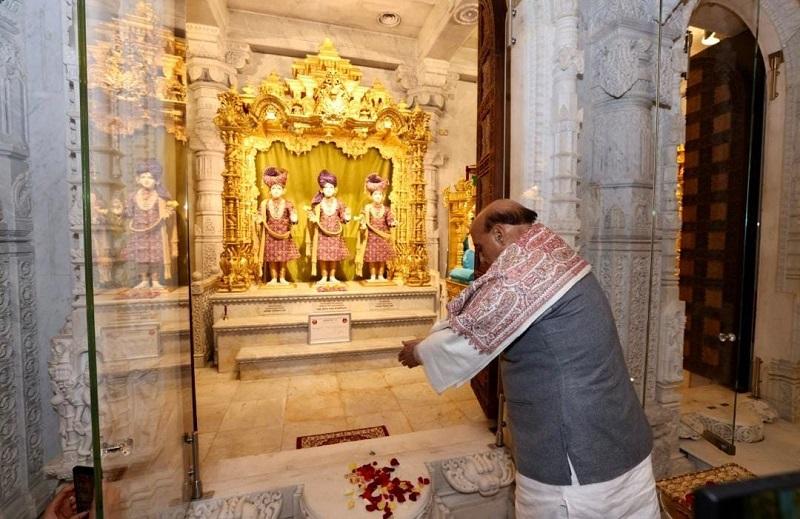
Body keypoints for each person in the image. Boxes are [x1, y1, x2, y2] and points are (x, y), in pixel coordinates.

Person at [398, 199, 659, 518]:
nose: (482, 258)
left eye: (480, 247)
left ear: (499, 234)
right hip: (621, 439)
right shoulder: (553, 253)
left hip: (577, 460)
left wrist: (418, 351)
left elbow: (465, 339)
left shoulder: (522, 274)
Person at [256, 166, 300, 285]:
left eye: (279, 188)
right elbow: (259, 215)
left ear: (283, 190)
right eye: (273, 188)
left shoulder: (288, 204)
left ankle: (282, 278)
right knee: (272, 258)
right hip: (270, 236)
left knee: (283, 258)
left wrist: (294, 218)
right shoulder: (265, 204)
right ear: (269, 191)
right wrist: (258, 219)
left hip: (284, 235)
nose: (276, 190)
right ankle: (274, 279)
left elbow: (293, 216)